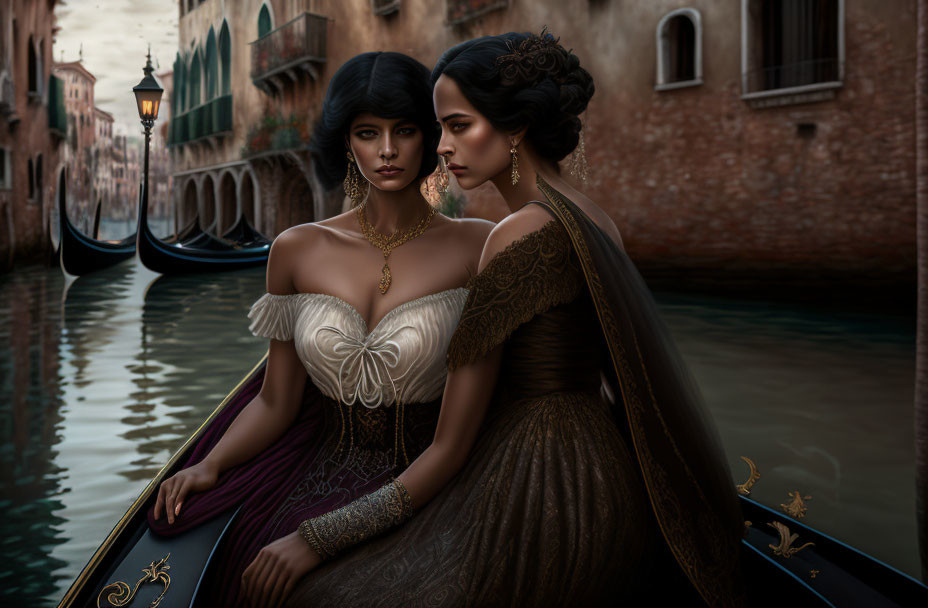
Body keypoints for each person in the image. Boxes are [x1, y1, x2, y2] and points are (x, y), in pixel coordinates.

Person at [274, 30, 747, 608]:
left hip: (540, 486)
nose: (440, 148)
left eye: (458, 125)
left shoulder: (512, 236)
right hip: (606, 471)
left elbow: (449, 448)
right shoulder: (595, 217)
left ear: (515, 127)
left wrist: (318, 538)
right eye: (441, 128)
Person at [144, 51, 493, 607]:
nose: (386, 151)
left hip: (434, 482)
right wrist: (210, 464)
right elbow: (276, 401)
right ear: (345, 143)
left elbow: (453, 445)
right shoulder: (296, 249)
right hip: (314, 471)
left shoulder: (481, 245)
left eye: (403, 130)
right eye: (366, 132)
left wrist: (319, 539)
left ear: (428, 137)